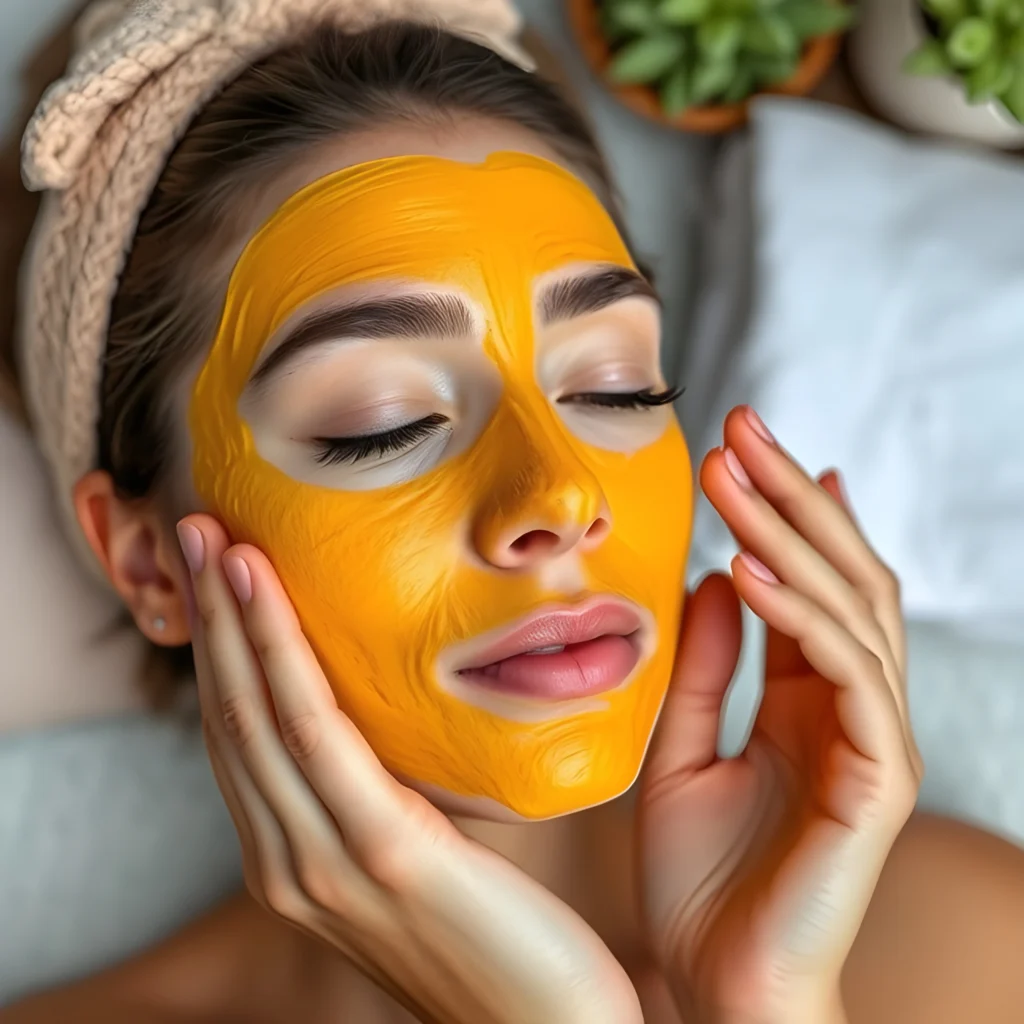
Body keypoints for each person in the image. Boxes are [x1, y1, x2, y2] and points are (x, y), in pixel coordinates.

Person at [4, 1, 1024, 1022]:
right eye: (384, 421)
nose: (560, 496)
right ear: (149, 565)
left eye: (615, 385)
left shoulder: (965, 949)